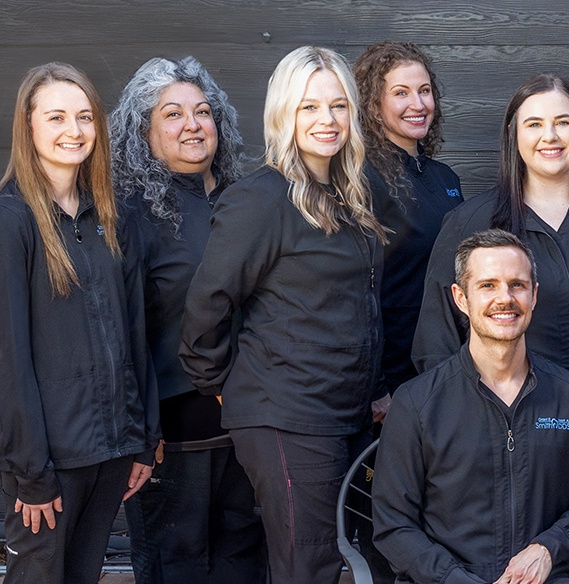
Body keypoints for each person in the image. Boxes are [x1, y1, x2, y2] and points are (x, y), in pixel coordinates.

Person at [411, 73, 569, 583]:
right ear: (514, 135)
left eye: (562, 121)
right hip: (509, 440)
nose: (549, 136)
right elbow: (437, 338)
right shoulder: (473, 223)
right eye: (534, 123)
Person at [180, 46, 387, 584]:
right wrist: (226, 387)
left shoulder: (349, 197)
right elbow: (207, 306)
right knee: (308, 566)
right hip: (287, 415)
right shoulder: (262, 199)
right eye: (309, 107)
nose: (327, 120)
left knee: (335, 558)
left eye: (338, 106)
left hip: (345, 412)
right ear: (283, 113)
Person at [0, 62, 157, 584]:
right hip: (48, 464)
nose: (73, 131)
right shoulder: (5, 220)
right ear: (28, 127)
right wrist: (30, 471)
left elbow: (135, 334)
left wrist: (141, 438)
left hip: (112, 450)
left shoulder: (110, 218)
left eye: (84, 117)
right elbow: (1, 361)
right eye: (55, 118)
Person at [375, 229, 569, 584]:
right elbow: (392, 524)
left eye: (517, 285)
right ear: (461, 297)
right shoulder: (417, 402)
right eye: (487, 285)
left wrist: (548, 548)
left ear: (534, 296)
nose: (505, 298)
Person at [110, 56, 266, 584]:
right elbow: (122, 331)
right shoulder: (129, 214)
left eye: (203, 112)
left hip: (247, 429)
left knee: (244, 563)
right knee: (174, 568)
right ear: (144, 131)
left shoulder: (245, 201)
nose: (193, 125)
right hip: (171, 439)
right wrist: (139, 430)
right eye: (172, 115)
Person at [353, 40, 463, 420]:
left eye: (425, 91)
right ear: (373, 105)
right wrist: (376, 386)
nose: (417, 104)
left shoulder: (445, 178)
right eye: (400, 93)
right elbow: (354, 293)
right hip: (392, 380)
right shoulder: (361, 179)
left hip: (445, 366)